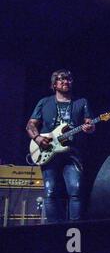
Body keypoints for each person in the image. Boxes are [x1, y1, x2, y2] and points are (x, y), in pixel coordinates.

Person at [26, 69, 95, 223]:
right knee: (50, 192)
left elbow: (89, 125)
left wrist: (90, 127)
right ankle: (53, 229)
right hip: (48, 151)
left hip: (72, 153)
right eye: (61, 79)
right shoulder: (44, 102)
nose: (66, 82)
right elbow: (30, 124)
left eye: (69, 79)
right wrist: (37, 138)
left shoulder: (81, 102)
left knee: (75, 190)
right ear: (54, 84)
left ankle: (74, 228)